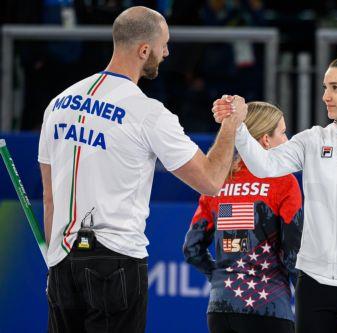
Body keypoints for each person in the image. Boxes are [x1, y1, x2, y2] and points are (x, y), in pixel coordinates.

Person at [38, 6, 246, 333]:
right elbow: (210, 180)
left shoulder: (58, 104)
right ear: (143, 50)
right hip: (116, 263)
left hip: (62, 261)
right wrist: (231, 125)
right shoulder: (147, 112)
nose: (167, 52)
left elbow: (50, 199)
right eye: (164, 44)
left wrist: (53, 261)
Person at [213, 49, 337, 333]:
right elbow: (265, 165)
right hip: (313, 283)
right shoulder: (312, 140)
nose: (326, 96)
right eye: (325, 88)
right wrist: (239, 128)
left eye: (335, 88)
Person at [183, 101, 303, 333]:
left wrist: (219, 277)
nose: (287, 140)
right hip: (270, 310)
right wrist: (309, 298)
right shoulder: (284, 181)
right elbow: (292, 254)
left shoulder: (219, 181)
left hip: (221, 309)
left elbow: (192, 249)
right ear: (266, 140)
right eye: (283, 132)